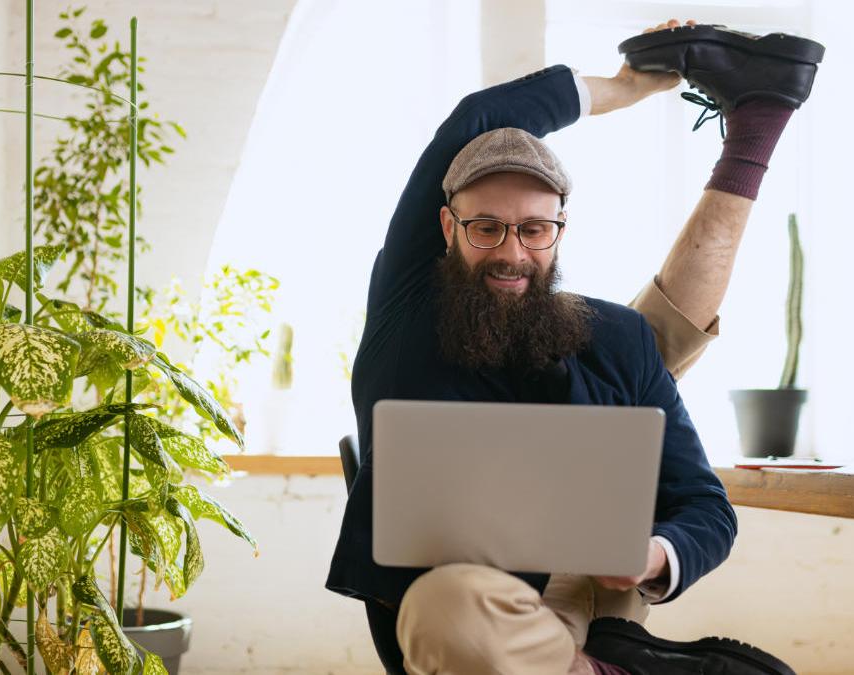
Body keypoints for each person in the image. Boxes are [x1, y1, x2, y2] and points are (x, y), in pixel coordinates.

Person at [325, 19, 821, 675]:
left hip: (593, 601)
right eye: (486, 228)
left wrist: (651, 555)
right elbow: (481, 116)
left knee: (643, 343)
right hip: (480, 611)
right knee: (444, 608)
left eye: (533, 229)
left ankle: (603, 660)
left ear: (560, 230)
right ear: (448, 226)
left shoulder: (613, 339)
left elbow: (703, 506)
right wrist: (631, 84)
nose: (510, 251)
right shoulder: (407, 306)